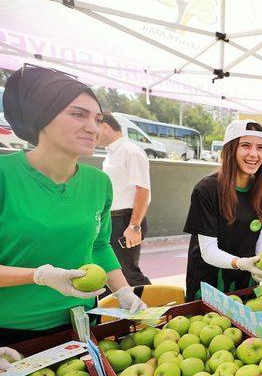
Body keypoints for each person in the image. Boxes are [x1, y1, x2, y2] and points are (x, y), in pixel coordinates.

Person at [0, 65, 146, 345]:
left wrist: (123, 290)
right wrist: (39, 276)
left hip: (82, 321)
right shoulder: (4, 175)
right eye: (78, 114)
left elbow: (99, 246)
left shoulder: (98, 182)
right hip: (12, 335)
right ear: (42, 118)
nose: (93, 127)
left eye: (97, 118)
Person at [183, 120, 262, 301]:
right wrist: (241, 263)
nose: (254, 154)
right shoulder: (206, 189)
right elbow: (208, 251)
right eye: (246, 146)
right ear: (230, 149)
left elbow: (260, 237)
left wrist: (261, 264)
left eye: (260, 147)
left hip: (245, 283)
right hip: (209, 285)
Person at [97, 112, 151, 292]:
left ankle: (157, 312)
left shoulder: (131, 151)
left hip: (126, 221)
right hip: (110, 221)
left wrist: (134, 226)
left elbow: (143, 189)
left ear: (104, 126)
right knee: (107, 273)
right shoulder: (112, 154)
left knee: (127, 274)